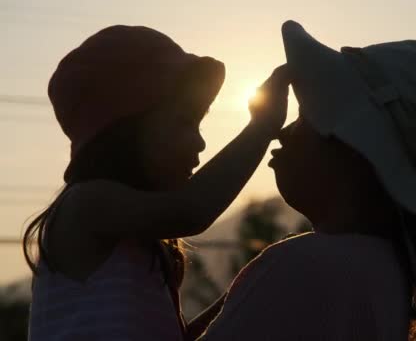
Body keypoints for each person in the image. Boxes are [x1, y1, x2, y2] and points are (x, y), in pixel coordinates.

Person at [201, 20, 416, 341]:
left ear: (352, 148)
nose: (280, 133)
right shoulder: (385, 274)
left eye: (304, 118)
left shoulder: (305, 267)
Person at [23, 25, 290, 340]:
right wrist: (261, 127)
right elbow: (192, 211)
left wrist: (245, 297)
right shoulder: (86, 204)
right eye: (185, 122)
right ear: (126, 130)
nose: (200, 143)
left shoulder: (133, 235)